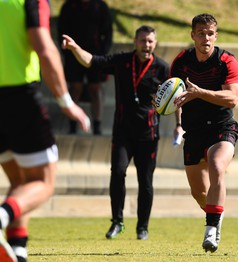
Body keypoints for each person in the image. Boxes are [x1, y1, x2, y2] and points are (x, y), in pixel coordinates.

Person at [62, 25, 175, 240]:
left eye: (150, 41)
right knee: (118, 173)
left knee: (146, 181)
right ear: (135, 41)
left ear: (155, 43)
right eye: (142, 40)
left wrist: (179, 124)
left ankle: (143, 227)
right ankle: (117, 222)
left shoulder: (162, 68)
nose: (146, 45)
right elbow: (92, 61)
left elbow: (176, 99)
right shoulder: (123, 61)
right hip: (123, 131)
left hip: (149, 134)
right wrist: (75, 48)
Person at [0, 0, 91, 261]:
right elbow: (45, 48)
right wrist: (66, 102)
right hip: (18, 97)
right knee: (43, 182)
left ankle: (18, 251)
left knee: (21, 183)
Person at [170, 13, 238, 253]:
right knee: (199, 192)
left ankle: (211, 231)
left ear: (216, 36)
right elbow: (174, 96)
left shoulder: (226, 61)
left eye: (210, 33)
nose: (206, 38)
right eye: (201, 33)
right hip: (194, 130)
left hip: (222, 126)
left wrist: (200, 92)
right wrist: (174, 119)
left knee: (217, 165)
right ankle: (215, 215)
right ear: (193, 36)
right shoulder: (181, 61)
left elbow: (232, 98)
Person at [58, 0, 113, 135]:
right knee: (75, 88)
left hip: (95, 55)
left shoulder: (100, 6)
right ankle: (72, 126)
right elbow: (61, 31)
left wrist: (102, 53)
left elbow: (108, 33)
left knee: (95, 88)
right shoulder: (69, 6)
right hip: (73, 56)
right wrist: (67, 51)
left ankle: (97, 126)